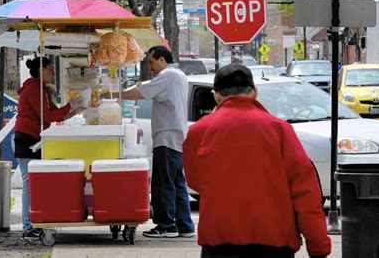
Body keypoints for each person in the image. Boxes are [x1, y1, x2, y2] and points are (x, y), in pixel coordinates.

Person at [183, 64, 331, 258]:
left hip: (220, 240)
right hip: (274, 240)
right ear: (254, 92)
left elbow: (195, 181)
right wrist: (318, 245)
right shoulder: (279, 129)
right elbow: (305, 191)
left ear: (216, 95)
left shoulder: (199, 132)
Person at [102, 46, 195, 238]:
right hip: (177, 138)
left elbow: (141, 93)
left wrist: (112, 95)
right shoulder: (179, 76)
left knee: (163, 184)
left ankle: (166, 225)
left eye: (152, 62)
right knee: (177, 183)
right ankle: (185, 225)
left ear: (162, 59)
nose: (150, 66)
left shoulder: (167, 76)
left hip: (167, 138)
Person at [14, 56, 85, 239]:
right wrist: (71, 105)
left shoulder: (42, 89)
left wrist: (76, 110)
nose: (53, 73)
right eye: (50, 69)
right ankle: (28, 227)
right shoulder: (33, 88)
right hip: (27, 140)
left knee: (33, 183)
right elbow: (48, 116)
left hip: (34, 139)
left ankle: (34, 223)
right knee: (29, 183)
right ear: (41, 70)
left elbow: (56, 114)